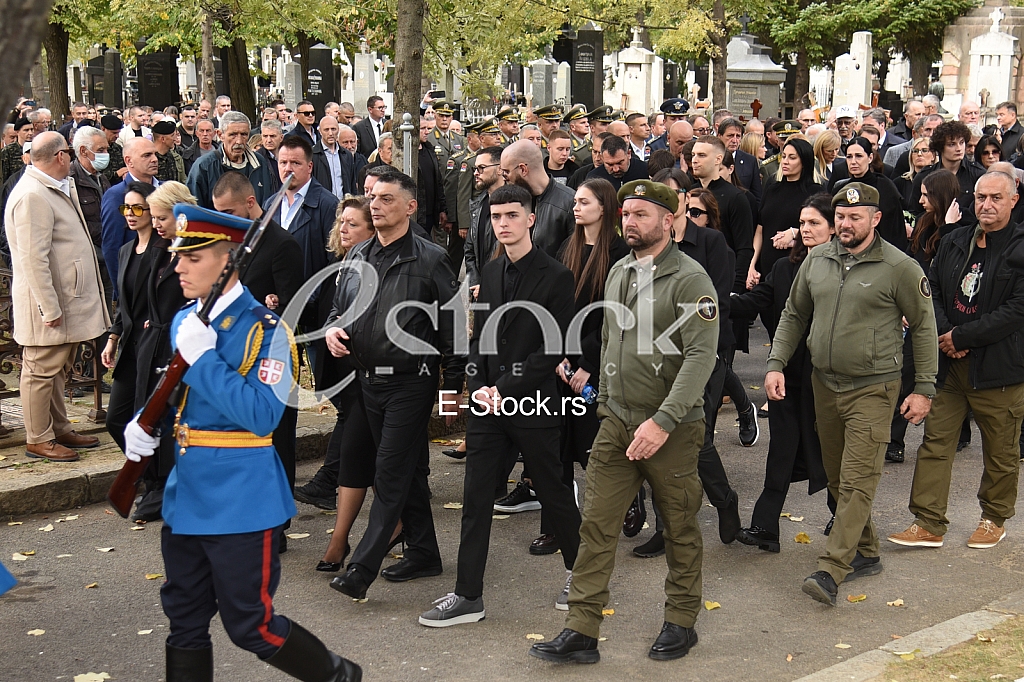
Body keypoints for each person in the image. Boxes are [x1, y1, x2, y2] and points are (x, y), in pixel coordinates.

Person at [121, 203, 362, 682]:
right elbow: (177, 391)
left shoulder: (267, 331)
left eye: (192, 258)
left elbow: (262, 415)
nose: (178, 267)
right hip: (187, 493)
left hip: (242, 498)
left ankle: (337, 676)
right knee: (183, 619)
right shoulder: (186, 319)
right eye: (177, 256)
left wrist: (206, 359)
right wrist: (145, 422)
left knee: (250, 625)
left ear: (227, 260)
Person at [529, 179, 718, 664]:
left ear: (669, 220)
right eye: (626, 214)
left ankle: (681, 621)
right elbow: (611, 342)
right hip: (616, 421)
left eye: (641, 215)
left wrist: (663, 422)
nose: (630, 223)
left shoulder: (691, 279)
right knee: (596, 525)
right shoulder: (619, 272)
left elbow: (701, 358)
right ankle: (581, 629)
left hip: (670, 429)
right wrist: (605, 406)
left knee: (679, 527)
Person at [766, 182, 937, 606]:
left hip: (873, 388)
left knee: (859, 479)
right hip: (824, 384)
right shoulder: (818, 259)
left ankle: (831, 568)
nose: (845, 223)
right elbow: (793, 314)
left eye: (855, 217)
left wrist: (924, 389)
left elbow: (925, 328)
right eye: (840, 215)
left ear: (875, 219)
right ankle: (867, 550)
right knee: (838, 477)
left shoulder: (900, 267)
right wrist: (775, 363)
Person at [419, 183, 582, 626]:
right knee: (475, 498)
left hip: (533, 404)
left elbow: (554, 349)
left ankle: (581, 573)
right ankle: (468, 595)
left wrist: (504, 389)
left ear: (531, 218)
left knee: (552, 493)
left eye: (512, 215)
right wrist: (478, 386)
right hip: (489, 406)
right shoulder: (489, 274)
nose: (503, 224)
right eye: (496, 217)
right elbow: (479, 339)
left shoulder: (556, 275)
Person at [326, 170, 465, 601]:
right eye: (372, 197)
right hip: (367, 382)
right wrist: (332, 330)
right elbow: (337, 311)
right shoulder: (356, 256)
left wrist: (452, 389)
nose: (376, 205)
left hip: (412, 382)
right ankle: (424, 551)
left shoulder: (430, 258)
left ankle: (362, 567)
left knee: (388, 472)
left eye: (387, 198)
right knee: (409, 471)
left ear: (410, 207)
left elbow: (453, 326)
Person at [889, 171, 1024, 550]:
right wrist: (945, 334)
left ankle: (994, 519)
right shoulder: (954, 240)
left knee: (1000, 451)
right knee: (935, 443)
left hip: (1000, 369)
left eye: (996, 198)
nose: (986, 205)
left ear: (1013, 200)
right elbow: (930, 290)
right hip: (950, 366)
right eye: (981, 197)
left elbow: (1017, 309)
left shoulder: (1019, 245)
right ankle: (928, 522)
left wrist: (962, 337)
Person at [733, 194, 836, 552]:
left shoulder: (845, 269)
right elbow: (755, 301)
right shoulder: (784, 268)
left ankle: (846, 516)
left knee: (829, 450)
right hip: (786, 374)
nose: (806, 230)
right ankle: (765, 527)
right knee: (780, 449)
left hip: (828, 378)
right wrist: (713, 301)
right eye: (802, 223)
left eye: (814, 223)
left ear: (835, 228)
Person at [5, 132, 110, 462]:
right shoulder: (33, 195)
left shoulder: (48, 187)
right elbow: (32, 259)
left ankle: (58, 428)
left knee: (56, 370)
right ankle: (38, 437)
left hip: (63, 298)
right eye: (67, 153)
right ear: (61, 157)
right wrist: (48, 306)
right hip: (46, 303)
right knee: (39, 371)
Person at [312, 196, 399, 567]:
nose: (343, 229)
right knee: (355, 451)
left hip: (378, 374)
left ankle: (377, 531)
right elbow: (335, 313)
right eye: (341, 222)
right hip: (348, 372)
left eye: (352, 224)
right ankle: (341, 537)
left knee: (375, 454)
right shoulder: (345, 263)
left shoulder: (379, 264)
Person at [101, 181, 158, 480]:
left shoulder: (163, 252)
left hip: (154, 346)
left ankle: (154, 483)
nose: (131, 214)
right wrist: (112, 338)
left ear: (152, 211)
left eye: (138, 208)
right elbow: (125, 304)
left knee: (145, 418)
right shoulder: (126, 250)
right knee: (116, 419)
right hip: (129, 348)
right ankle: (145, 473)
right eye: (126, 208)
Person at [749, 139, 821, 293]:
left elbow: (824, 231)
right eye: (784, 156)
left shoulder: (815, 192)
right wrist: (752, 265)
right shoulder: (771, 188)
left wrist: (795, 232)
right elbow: (760, 230)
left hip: (796, 267)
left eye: (792, 158)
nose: (785, 162)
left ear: (804, 161)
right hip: (766, 267)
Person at [101, 137, 160, 297]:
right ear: (129, 161)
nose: (154, 159)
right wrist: (123, 293)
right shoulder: (116, 195)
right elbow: (112, 248)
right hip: (135, 286)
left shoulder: (164, 190)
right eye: (146, 155)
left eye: (155, 154)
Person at [830, 135, 910, 252]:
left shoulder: (885, 186)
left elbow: (894, 229)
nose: (853, 162)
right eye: (849, 157)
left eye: (859, 156)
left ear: (870, 157)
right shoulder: (841, 188)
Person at [500, 140, 576, 257]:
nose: (504, 178)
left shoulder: (569, 203)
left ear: (523, 169)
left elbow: (574, 257)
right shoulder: (513, 200)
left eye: (506, 172)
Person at [187, 112, 275, 209]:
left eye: (244, 134)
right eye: (233, 134)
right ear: (220, 135)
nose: (239, 141)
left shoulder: (259, 163)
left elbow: (268, 204)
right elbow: (194, 211)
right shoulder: (204, 167)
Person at [70, 126, 114, 310]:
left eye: (106, 150)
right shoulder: (70, 180)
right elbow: (76, 222)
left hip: (106, 255)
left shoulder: (101, 178)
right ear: (83, 151)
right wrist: (105, 233)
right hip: (87, 258)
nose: (105, 155)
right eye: (100, 150)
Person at [464, 146, 504, 293]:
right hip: (479, 290)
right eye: (475, 168)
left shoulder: (515, 204)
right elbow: (469, 251)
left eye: (481, 168)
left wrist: (489, 284)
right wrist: (476, 282)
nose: (476, 173)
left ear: (500, 169)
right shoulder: (478, 205)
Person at [312, 115, 358, 198]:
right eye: (326, 129)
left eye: (333, 129)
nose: (330, 133)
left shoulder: (347, 155)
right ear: (320, 132)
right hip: (322, 206)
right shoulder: (312, 155)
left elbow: (352, 185)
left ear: (338, 130)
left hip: (344, 205)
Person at [894, 137, 937, 211]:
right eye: (915, 151)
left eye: (924, 150)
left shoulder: (940, 180)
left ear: (933, 155)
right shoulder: (900, 182)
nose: (919, 154)